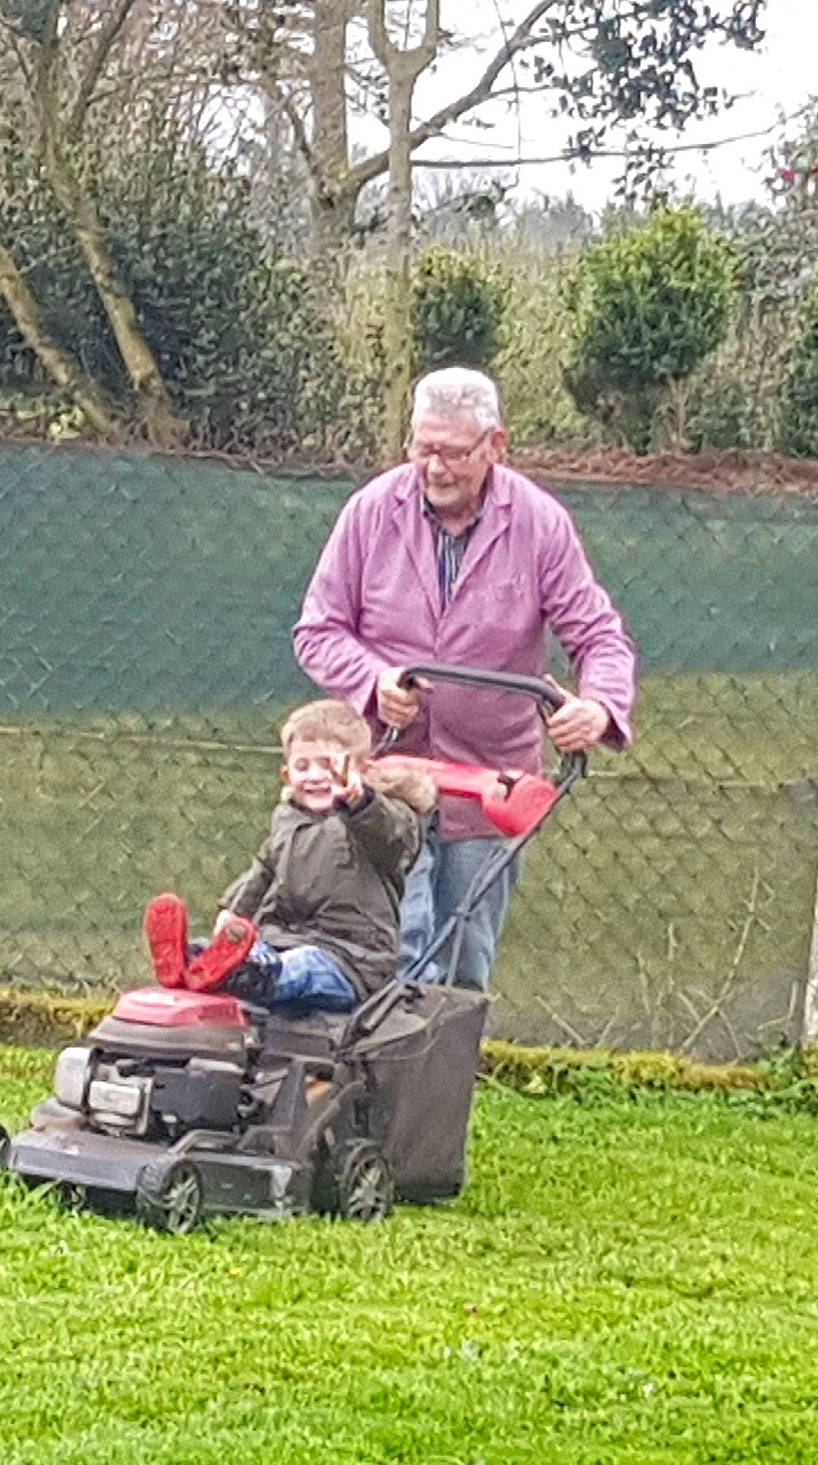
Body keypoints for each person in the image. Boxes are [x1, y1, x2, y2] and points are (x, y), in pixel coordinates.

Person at [292, 367, 637, 991]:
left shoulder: (539, 524)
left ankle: (445, 1057)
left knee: (463, 966)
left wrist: (600, 708)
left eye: (453, 452)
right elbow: (318, 630)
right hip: (384, 782)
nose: (435, 467)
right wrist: (374, 682)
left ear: (495, 446)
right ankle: (373, 1057)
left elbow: (598, 635)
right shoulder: (371, 512)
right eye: (422, 447)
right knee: (385, 955)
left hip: (490, 787)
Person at [143, 699, 434, 1010]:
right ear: (286, 774)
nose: (314, 776)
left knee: (301, 968)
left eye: (328, 766)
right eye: (302, 767)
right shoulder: (287, 819)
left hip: (349, 958)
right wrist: (235, 911)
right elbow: (264, 870)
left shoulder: (379, 819)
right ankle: (188, 960)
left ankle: (243, 975)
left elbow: (394, 836)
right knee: (254, 953)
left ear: (361, 770)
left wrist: (359, 800)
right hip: (280, 940)